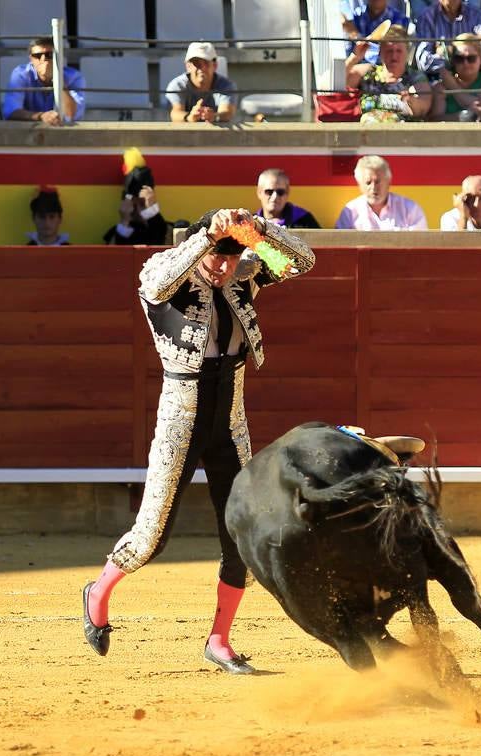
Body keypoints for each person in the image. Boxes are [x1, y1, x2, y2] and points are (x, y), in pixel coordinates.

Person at [82, 207, 315, 674]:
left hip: (230, 422)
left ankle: (219, 640)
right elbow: (158, 279)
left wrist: (261, 231)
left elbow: (303, 261)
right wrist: (207, 234)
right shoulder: (163, 273)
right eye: (218, 256)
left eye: (232, 257)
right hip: (180, 422)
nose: (225, 266)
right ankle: (97, 592)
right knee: (151, 537)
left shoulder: (242, 278)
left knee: (243, 537)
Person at [345, 25, 432, 123]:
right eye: (389, 51)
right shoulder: (368, 72)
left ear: (407, 52)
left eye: (399, 51)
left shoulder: (416, 77)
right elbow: (329, 83)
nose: (394, 56)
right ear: (380, 52)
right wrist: (354, 58)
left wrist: (410, 100)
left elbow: (423, 108)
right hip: (367, 133)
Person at [3, 37, 85, 124]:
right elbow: (11, 112)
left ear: (58, 57)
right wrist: (41, 116)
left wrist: (58, 79)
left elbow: (71, 114)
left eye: (49, 55)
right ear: (31, 59)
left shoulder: (74, 76)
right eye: (37, 56)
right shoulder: (21, 74)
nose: (43, 59)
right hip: (29, 131)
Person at [335, 155, 428, 230]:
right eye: (368, 182)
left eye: (378, 181)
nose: (373, 187)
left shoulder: (410, 209)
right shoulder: (350, 212)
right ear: (359, 184)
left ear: (388, 181)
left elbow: (420, 246)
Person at [429, 32, 481, 121]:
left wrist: (453, 87)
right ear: (453, 61)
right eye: (459, 59)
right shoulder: (441, 87)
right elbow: (435, 120)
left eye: (471, 58)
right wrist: (463, 116)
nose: (466, 63)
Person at [103, 148, 167, 245]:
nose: (137, 210)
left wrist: (150, 210)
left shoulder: (163, 228)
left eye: (142, 204)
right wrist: (124, 220)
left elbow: (159, 236)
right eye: (134, 204)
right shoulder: (117, 232)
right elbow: (117, 250)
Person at [414, 0, 481, 79]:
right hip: (439, 79)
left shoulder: (477, 15)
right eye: (459, 59)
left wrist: (446, 52)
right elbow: (423, 61)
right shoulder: (426, 17)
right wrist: (467, 56)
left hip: (474, 77)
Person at [165, 41, 237, 123]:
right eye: (196, 63)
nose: (202, 68)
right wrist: (189, 117)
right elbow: (175, 113)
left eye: (206, 63)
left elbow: (227, 113)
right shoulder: (177, 85)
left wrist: (213, 117)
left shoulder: (227, 85)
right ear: (188, 66)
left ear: (215, 66)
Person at [341, 0, 410, 64]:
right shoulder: (355, 17)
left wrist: (362, 41)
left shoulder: (399, 19)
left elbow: (395, 53)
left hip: (385, 68)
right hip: (357, 69)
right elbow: (349, 51)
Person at [255, 168, 321, 228]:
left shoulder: (305, 221)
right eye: (269, 192)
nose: (275, 197)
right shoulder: (252, 222)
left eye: (280, 192)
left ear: (287, 193)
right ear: (259, 192)